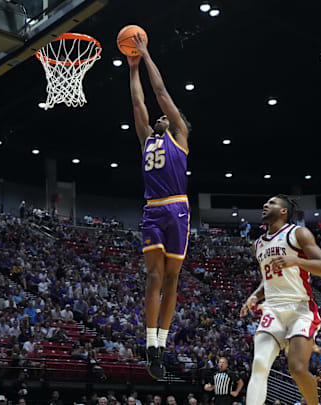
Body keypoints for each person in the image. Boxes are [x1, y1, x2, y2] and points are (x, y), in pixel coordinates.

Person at [128, 31, 192, 379]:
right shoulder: (146, 139)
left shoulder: (179, 135)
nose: (160, 116)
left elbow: (161, 93)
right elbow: (139, 104)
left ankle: (163, 343)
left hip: (177, 209)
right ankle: (151, 344)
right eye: (161, 117)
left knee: (171, 279)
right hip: (153, 208)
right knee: (152, 277)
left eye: (167, 115)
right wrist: (132, 67)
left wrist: (147, 54)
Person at [241, 195, 321, 405]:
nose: (265, 205)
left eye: (272, 203)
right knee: (260, 364)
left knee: (297, 369)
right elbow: (268, 279)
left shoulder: (298, 233)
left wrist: (295, 259)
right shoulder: (258, 244)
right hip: (272, 308)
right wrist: (254, 296)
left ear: (283, 211)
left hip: (300, 307)